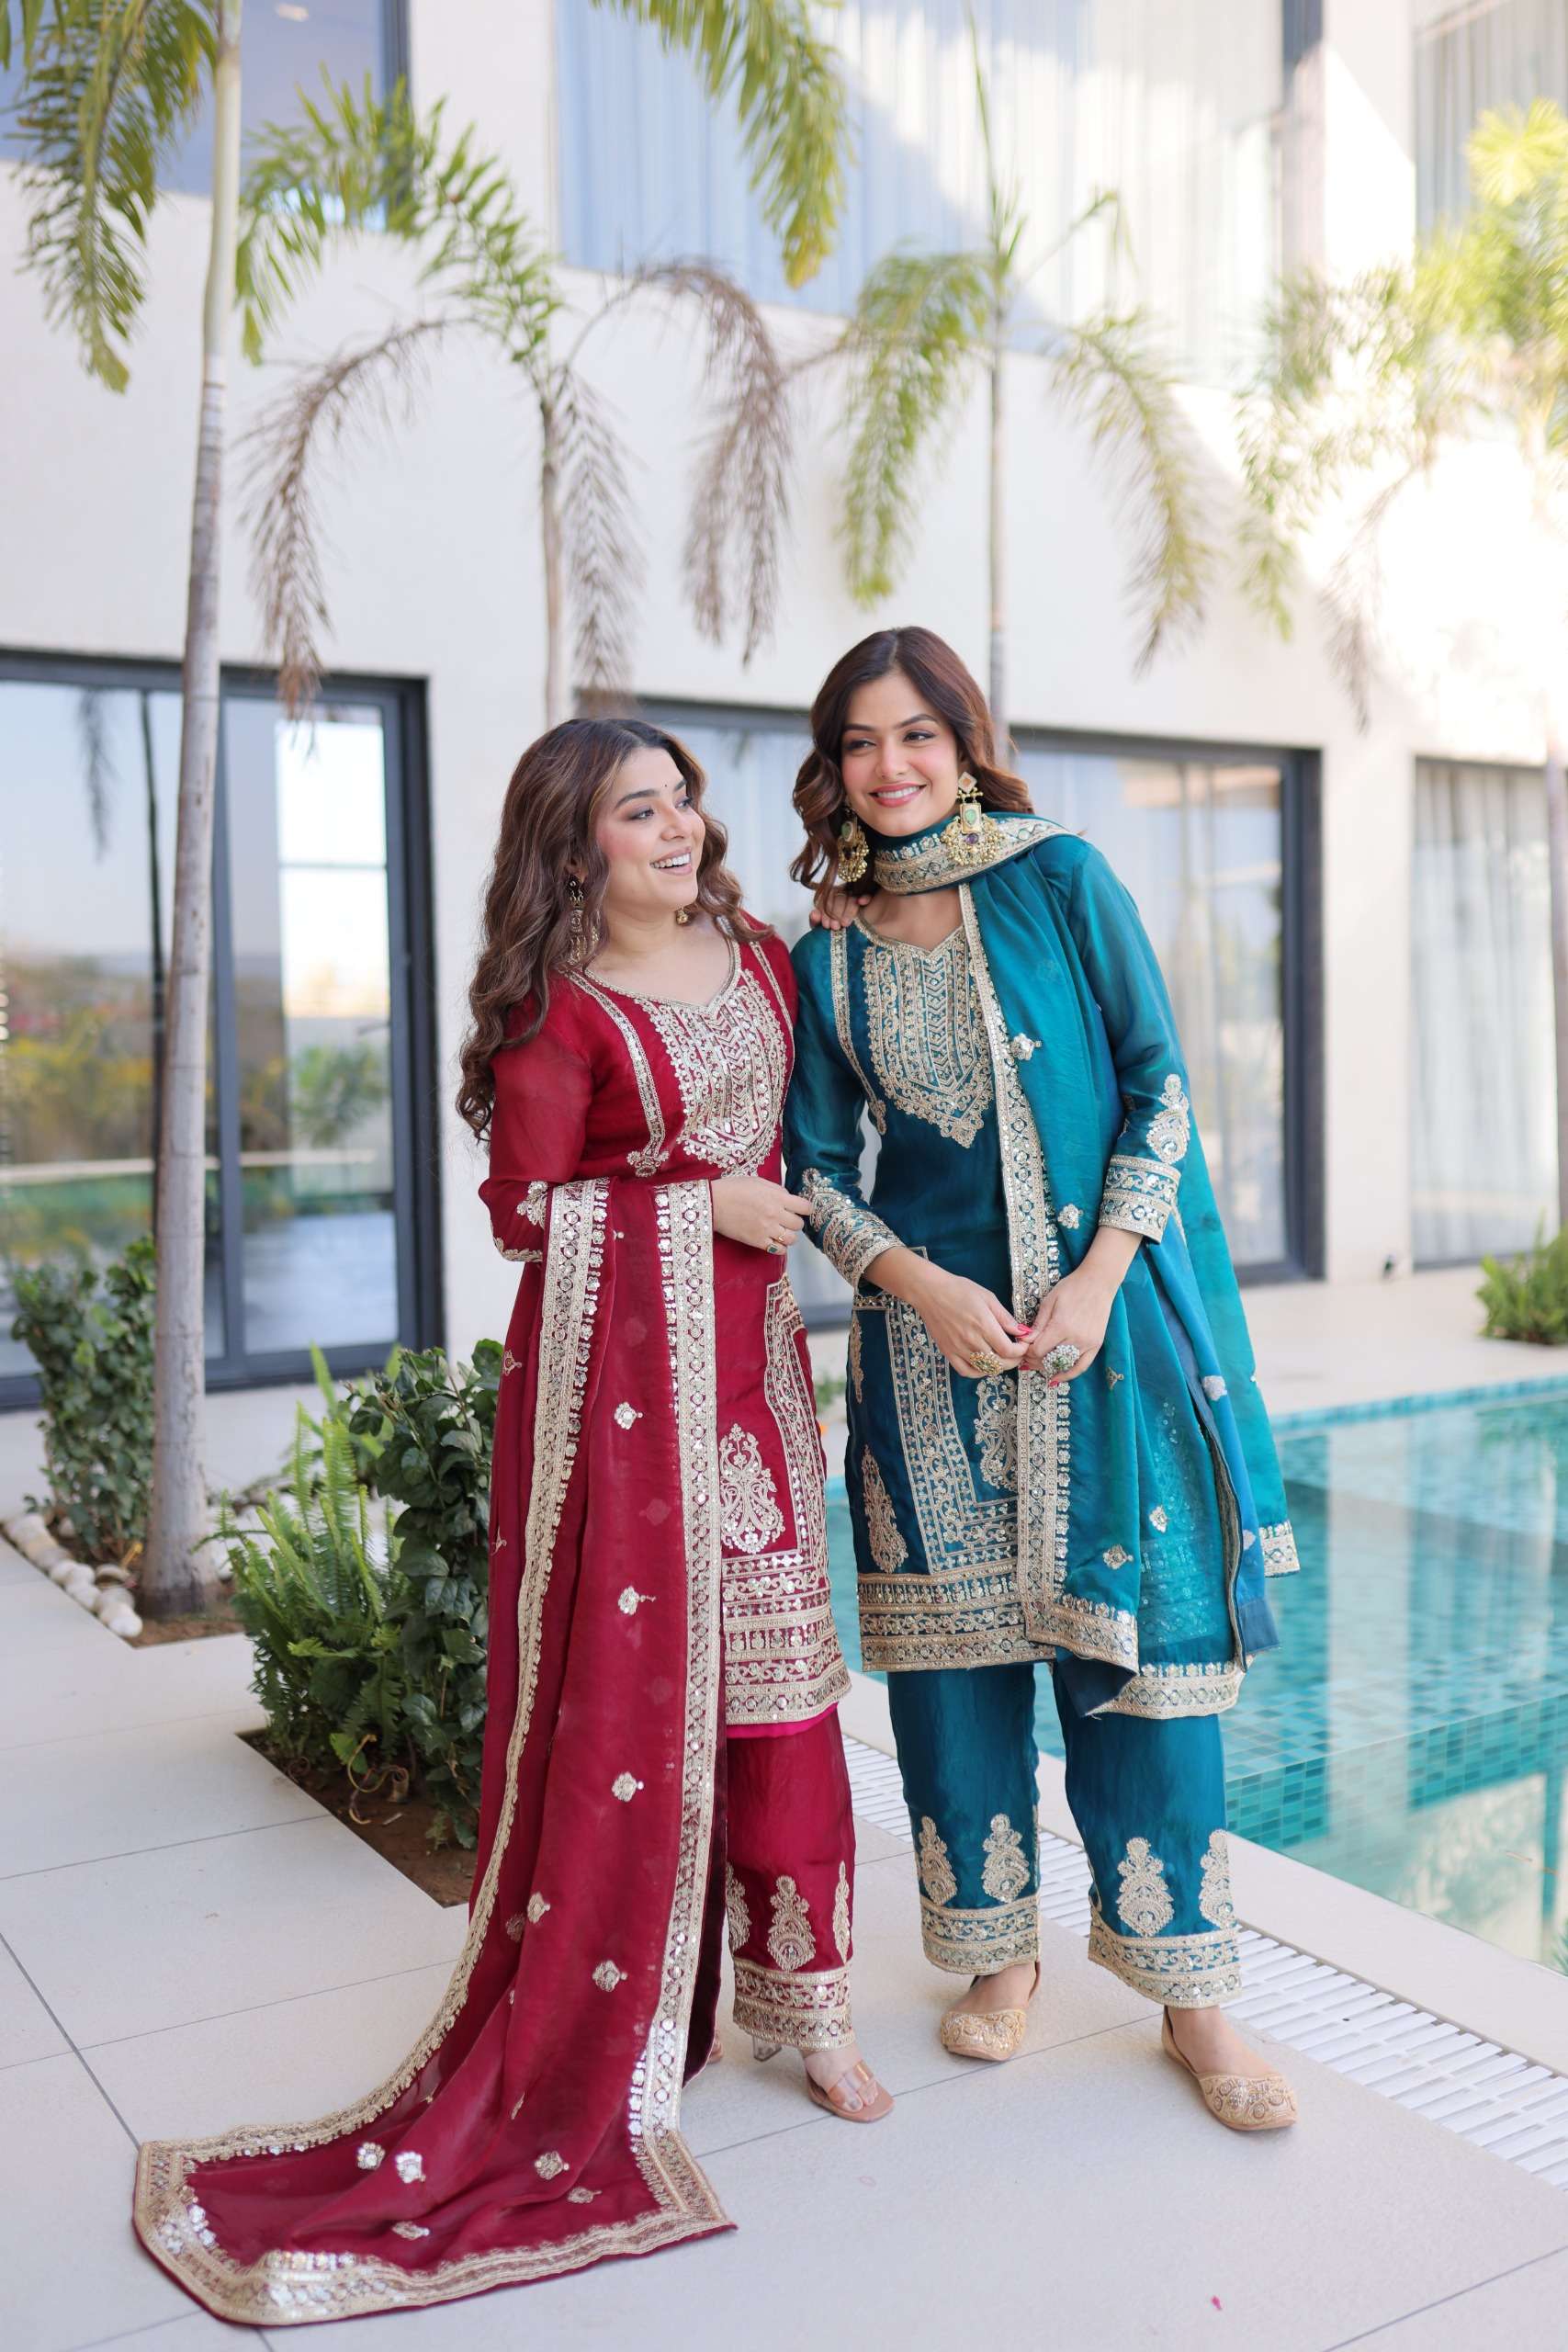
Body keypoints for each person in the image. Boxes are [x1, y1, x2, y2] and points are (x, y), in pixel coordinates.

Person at [133, 717, 889, 2329]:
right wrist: (695, 1201)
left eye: (683, 802)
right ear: (574, 846)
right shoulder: (562, 1009)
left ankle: (811, 2008)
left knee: (785, 1694)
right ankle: (640, 2013)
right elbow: (527, 1212)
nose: (680, 830)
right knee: (648, 1706)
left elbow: (828, 1103)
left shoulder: (762, 960)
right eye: (639, 811)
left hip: (754, 1380)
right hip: (622, 1418)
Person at [784, 627, 1299, 2132]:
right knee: (953, 1678)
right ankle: (995, 1958)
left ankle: (1192, 2001)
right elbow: (815, 1169)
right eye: (861, 743)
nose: (890, 766)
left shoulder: (1060, 878)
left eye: (917, 736)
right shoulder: (825, 953)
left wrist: (1097, 1279)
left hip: (1104, 1344)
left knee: (1142, 1671)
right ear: (835, 767)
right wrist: (919, 1288)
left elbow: (1160, 1088)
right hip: (925, 1359)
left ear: (964, 744)